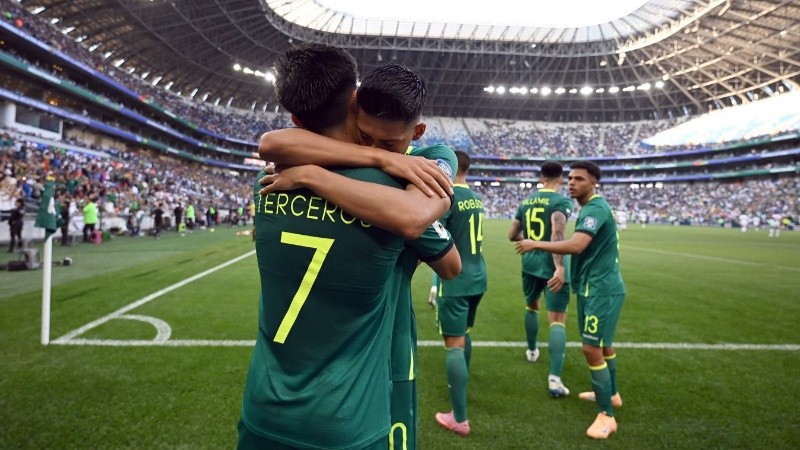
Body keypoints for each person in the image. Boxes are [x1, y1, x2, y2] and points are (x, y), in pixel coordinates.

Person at [239, 43, 453, 450]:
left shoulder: (268, 182)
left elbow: (272, 144)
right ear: (355, 100)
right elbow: (445, 256)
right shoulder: (392, 194)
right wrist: (388, 163)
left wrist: (311, 176)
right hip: (345, 418)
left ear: (295, 118)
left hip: (263, 409)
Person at [514, 160, 625, 440]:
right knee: (604, 345)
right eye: (571, 178)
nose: (573, 183)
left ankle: (606, 417)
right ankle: (611, 395)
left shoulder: (596, 208)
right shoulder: (588, 208)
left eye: (580, 179)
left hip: (601, 289)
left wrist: (535, 243)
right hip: (591, 286)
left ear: (594, 183)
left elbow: (576, 245)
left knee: (591, 349)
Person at [431, 151, 488, 437]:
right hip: (478, 276)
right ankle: (459, 384)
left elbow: (436, 242)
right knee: (464, 333)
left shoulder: (448, 197)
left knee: (453, 343)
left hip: (455, 280)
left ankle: (460, 418)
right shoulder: (475, 198)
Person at [508, 160, 573, 398]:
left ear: (541, 177)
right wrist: (559, 267)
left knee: (531, 305)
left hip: (529, 263)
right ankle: (555, 379)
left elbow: (512, 234)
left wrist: (531, 240)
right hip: (549, 264)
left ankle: (532, 350)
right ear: (561, 179)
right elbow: (558, 234)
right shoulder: (561, 201)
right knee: (557, 319)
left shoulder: (526, 201)